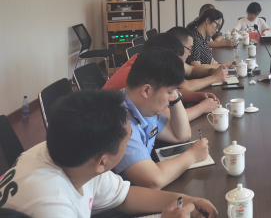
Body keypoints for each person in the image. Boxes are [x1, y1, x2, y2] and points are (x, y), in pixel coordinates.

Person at [1, 91, 217, 217]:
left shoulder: (74, 156)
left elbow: (124, 196)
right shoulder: (52, 205)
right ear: (102, 162)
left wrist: (186, 200)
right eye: (128, 140)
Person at [114, 48, 210, 189]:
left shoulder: (144, 108)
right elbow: (153, 180)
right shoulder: (120, 120)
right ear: (146, 90)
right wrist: (193, 155)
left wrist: (175, 98)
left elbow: (181, 135)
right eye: (170, 92)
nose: (172, 98)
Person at [104, 33, 224, 118]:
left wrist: (197, 96)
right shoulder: (138, 77)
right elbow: (170, 118)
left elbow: (171, 92)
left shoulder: (144, 65)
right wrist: (202, 107)